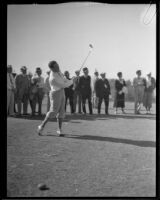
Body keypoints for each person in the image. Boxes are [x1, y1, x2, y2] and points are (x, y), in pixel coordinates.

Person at [37, 60, 73, 136]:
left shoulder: (59, 72)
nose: (58, 67)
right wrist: (72, 81)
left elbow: (65, 80)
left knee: (62, 111)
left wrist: (73, 78)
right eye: (56, 66)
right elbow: (63, 85)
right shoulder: (52, 78)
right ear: (52, 68)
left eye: (58, 65)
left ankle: (59, 129)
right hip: (55, 93)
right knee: (53, 112)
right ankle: (41, 126)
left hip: (62, 92)